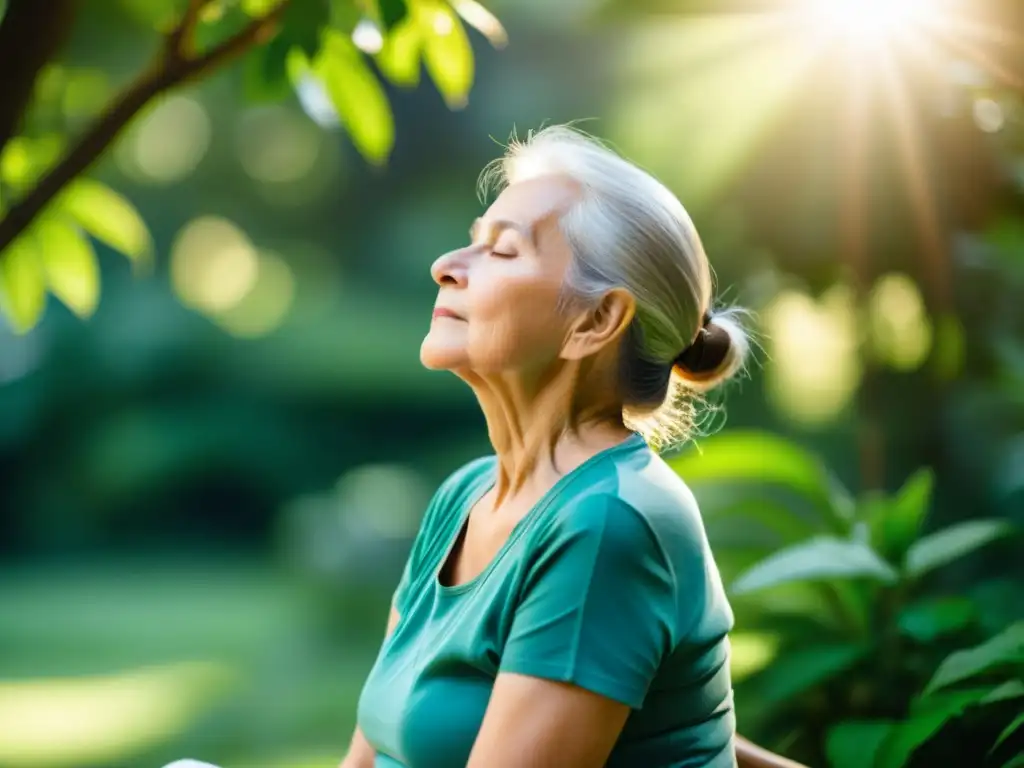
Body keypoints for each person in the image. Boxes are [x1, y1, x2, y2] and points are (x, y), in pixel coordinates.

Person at [338, 126, 806, 768]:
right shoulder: (464, 498)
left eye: (502, 252)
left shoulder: (610, 522)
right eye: (475, 241)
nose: (445, 266)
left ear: (594, 322)